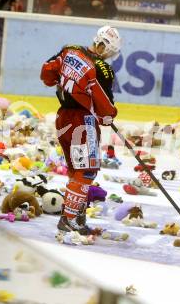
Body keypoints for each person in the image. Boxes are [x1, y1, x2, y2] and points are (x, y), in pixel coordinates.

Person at [40, 26, 121, 234]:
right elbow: (105, 107)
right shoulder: (102, 68)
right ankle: (69, 218)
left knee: (76, 170)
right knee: (86, 171)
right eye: (109, 51)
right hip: (82, 123)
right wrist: (109, 115)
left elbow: (47, 73)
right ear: (105, 46)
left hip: (63, 119)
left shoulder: (70, 50)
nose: (109, 56)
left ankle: (77, 213)